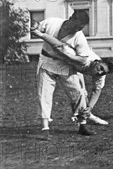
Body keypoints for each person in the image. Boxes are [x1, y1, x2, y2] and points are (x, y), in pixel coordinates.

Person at [30, 25, 113, 126]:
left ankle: (86, 115)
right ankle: (82, 118)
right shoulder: (84, 57)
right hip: (66, 64)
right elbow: (59, 45)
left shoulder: (101, 75)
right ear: (97, 62)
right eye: (100, 68)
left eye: (103, 72)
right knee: (78, 92)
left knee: (82, 95)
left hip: (77, 69)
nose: (100, 72)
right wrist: (40, 34)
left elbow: (97, 90)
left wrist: (90, 107)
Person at [34, 10, 95, 138]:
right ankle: (45, 128)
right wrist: (35, 26)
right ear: (71, 18)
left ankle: (82, 124)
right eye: (76, 26)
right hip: (47, 62)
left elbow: (83, 59)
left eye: (80, 28)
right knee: (44, 94)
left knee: (78, 93)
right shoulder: (52, 22)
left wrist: (67, 55)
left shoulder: (79, 37)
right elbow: (38, 26)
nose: (77, 29)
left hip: (65, 65)